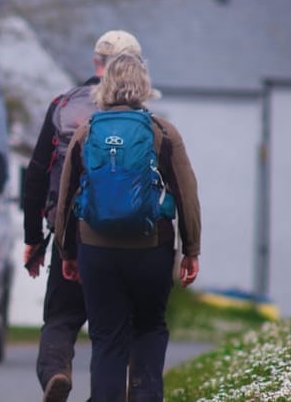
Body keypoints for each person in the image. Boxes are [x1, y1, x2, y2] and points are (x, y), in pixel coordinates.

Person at [54, 51, 201, 402]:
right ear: (144, 86)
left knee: (107, 338)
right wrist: (191, 249)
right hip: (151, 249)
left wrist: (67, 252)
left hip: (97, 251)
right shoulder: (162, 132)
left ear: (105, 86)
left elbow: (65, 197)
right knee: (149, 327)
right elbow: (187, 195)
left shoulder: (87, 131)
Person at [22, 30, 145, 402]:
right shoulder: (142, 117)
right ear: (136, 67)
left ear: (96, 62)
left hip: (68, 232)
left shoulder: (63, 105)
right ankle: (110, 394)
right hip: (125, 238)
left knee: (60, 319)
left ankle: (57, 372)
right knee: (114, 328)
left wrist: (33, 238)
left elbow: (37, 173)